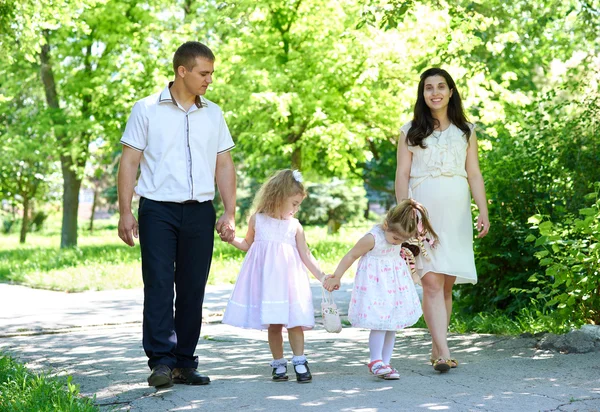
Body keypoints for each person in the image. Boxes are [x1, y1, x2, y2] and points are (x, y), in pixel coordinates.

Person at [117, 41, 236, 388]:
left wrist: (229, 211)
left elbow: (224, 163)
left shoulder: (213, 113)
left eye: (212, 73)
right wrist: (125, 212)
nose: (209, 80)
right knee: (158, 284)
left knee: (192, 289)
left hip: (200, 211)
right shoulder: (146, 109)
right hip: (157, 210)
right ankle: (161, 362)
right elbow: (129, 162)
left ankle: (184, 362)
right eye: (204, 73)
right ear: (181, 71)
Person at [395, 67, 490, 372]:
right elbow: (402, 174)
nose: (434, 92)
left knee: (446, 285)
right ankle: (443, 353)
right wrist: (404, 211)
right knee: (431, 282)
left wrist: (482, 210)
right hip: (424, 212)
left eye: (440, 87)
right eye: (428, 88)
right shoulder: (409, 130)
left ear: (451, 92)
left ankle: (438, 348)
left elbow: (474, 173)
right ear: (422, 94)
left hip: (457, 213)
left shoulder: (466, 131)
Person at [222, 169, 326, 384]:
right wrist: (231, 239)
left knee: (295, 323)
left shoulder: (294, 226)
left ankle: (299, 360)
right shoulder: (257, 220)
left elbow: (306, 255)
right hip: (267, 282)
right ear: (278, 198)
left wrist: (323, 277)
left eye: (299, 204)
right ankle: (278, 363)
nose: (296, 209)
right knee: (274, 324)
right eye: (294, 203)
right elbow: (246, 244)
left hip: (289, 282)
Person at [323, 199, 438, 379]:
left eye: (402, 240)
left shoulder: (396, 236)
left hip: (394, 284)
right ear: (386, 225)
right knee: (380, 321)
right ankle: (375, 360)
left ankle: (386, 362)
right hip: (375, 286)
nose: (397, 242)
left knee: (392, 324)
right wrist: (337, 276)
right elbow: (351, 255)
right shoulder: (372, 238)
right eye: (396, 238)